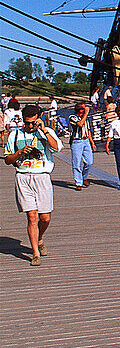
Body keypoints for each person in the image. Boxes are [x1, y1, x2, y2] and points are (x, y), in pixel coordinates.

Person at [4, 103, 61, 265]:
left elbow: (57, 148)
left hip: (42, 177)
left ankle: (40, 238)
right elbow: (8, 160)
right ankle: (35, 252)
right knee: (32, 216)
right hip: (23, 177)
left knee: (45, 218)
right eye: (26, 122)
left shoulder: (47, 132)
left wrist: (43, 130)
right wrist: (19, 152)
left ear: (38, 120)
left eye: (32, 122)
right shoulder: (15, 135)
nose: (29, 126)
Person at [68, 101, 96, 189]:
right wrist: (86, 113)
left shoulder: (85, 118)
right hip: (77, 142)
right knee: (76, 162)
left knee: (89, 162)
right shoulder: (72, 117)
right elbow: (79, 124)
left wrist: (92, 142)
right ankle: (78, 182)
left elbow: (88, 131)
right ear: (79, 110)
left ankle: (84, 177)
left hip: (86, 140)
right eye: (83, 109)